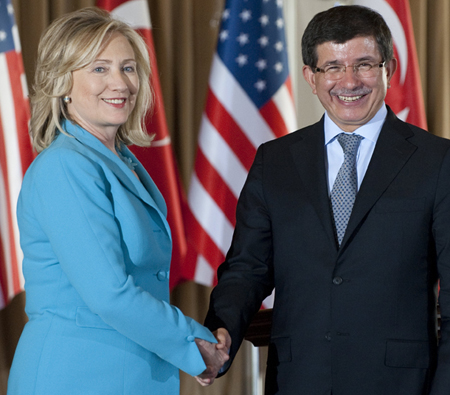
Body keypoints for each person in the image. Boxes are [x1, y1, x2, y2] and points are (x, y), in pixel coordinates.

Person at [203, 5, 450, 395]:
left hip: (402, 383)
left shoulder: (438, 161)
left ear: (390, 68)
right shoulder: (274, 160)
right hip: (299, 379)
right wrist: (219, 334)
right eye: (332, 67)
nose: (348, 81)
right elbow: (247, 268)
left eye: (364, 64)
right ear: (310, 77)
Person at [7, 7, 227, 395]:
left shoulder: (120, 162)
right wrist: (193, 344)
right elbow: (110, 293)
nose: (120, 83)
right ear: (63, 81)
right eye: (99, 68)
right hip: (78, 376)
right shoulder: (65, 166)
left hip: (128, 373)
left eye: (128, 68)